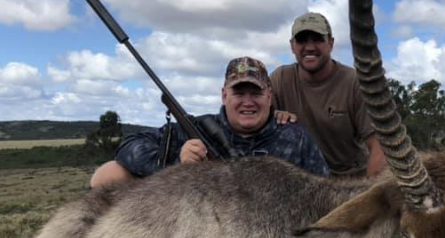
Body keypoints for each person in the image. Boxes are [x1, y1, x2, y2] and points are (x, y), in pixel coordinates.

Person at [90, 57, 329, 188]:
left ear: (269, 96)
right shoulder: (196, 129)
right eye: (239, 93)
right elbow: (129, 146)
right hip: (202, 229)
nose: (248, 102)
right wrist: (177, 163)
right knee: (108, 174)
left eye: (255, 93)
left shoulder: (294, 136)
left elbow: (322, 188)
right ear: (224, 95)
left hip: (273, 235)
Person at [270, 12, 385, 178]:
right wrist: (274, 116)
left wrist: (368, 193)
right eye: (302, 40)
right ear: (292, 46)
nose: (309, 47)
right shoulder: (280, 78)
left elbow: (379, 145)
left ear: (330, 44)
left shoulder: (354, 82)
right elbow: (254, 122)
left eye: (317, 39)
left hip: (348, 181)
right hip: (300, 181)